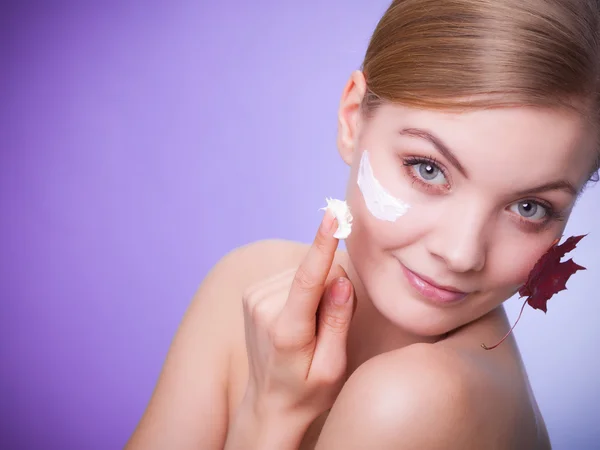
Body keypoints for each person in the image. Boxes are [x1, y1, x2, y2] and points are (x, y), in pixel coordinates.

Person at [126, 0, 600, 448]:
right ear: (353, 119)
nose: (461, 253)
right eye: (428, 169)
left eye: (530, 208)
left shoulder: (419, 398)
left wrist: (270, 416)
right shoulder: (246, 284)